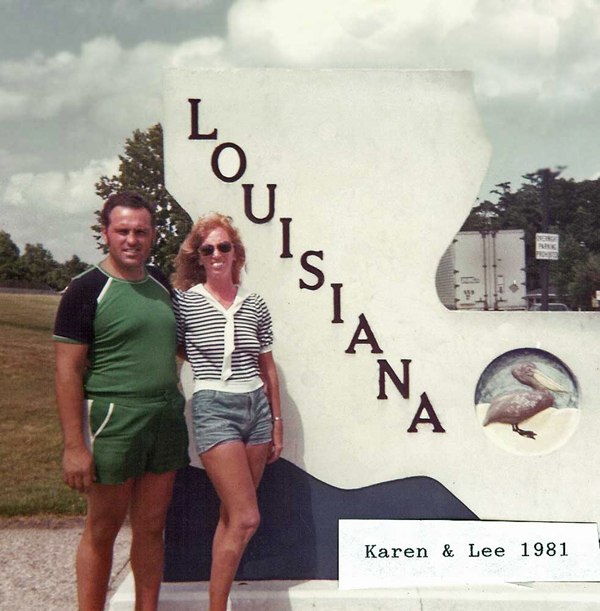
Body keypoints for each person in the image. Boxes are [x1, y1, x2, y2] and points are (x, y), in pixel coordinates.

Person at [53, 190, 189, 611]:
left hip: (164, 417)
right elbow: (67, 370)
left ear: (152, 236)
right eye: (123, 231)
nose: (132, 240)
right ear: (107, 234)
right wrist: (75, 446)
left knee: (151, 528)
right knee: (103, 528)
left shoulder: (161, 285)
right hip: (113, 420)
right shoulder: (85, 289)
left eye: (141, 232)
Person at [172, 213, 283, 611]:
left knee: (232, 517)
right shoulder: (184, 303)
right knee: (247, 518)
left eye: (224, 246)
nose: (217, 254)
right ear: (198, 258)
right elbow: (175, 356)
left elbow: (267, 366)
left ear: (236, 252)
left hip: (256, 408)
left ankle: (217, 603)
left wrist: (276, 421)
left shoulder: (255, 303)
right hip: (214, 408)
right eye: (208, 249)